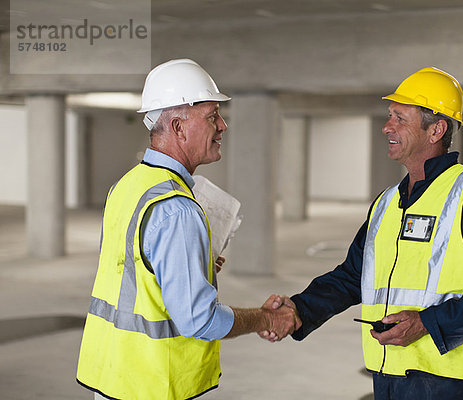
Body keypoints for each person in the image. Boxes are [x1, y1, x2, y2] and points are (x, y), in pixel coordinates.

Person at [263, 67, 463, 399]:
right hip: (389, 372)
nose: (387, 127)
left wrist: (426, 324)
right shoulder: (387, 202)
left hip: (447, 379)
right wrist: (299, 310)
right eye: (390, 116)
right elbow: (351, 276)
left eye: (400, 118)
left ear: (437, 130)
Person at [76, 59, 300, 400]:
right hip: (152, 383)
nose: (223, 125)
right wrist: (265, 319)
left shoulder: (128, 184)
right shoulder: (177, 208)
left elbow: (134, 270)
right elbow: (200, 320)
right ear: (179, 127)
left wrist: (193, 264)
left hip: (113, 374)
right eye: (212, 116)